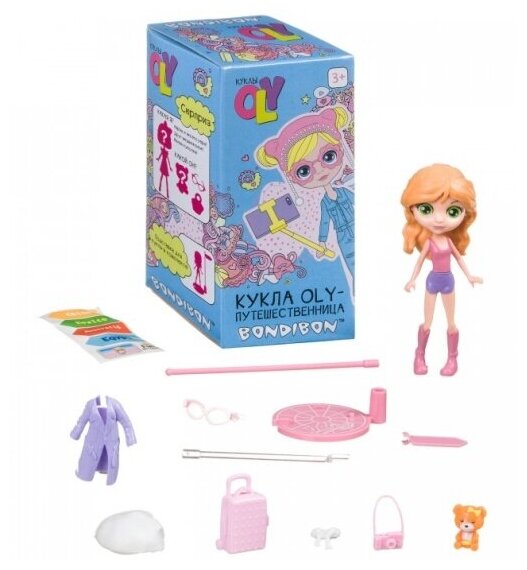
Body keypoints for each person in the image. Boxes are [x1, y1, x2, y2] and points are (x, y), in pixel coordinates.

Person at [401, 164, 483, 376]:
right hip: (432, 281)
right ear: (413, 210)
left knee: (451, 322)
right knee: (428, 321)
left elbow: (459, 259)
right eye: (427, 209)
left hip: (448, 282)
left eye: (452, 211)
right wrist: (412, 279)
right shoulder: (429, 243)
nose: (439, 219)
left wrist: (469, 276)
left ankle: (452, 358)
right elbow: (419, 262)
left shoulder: (448, 241)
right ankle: (420, 355)